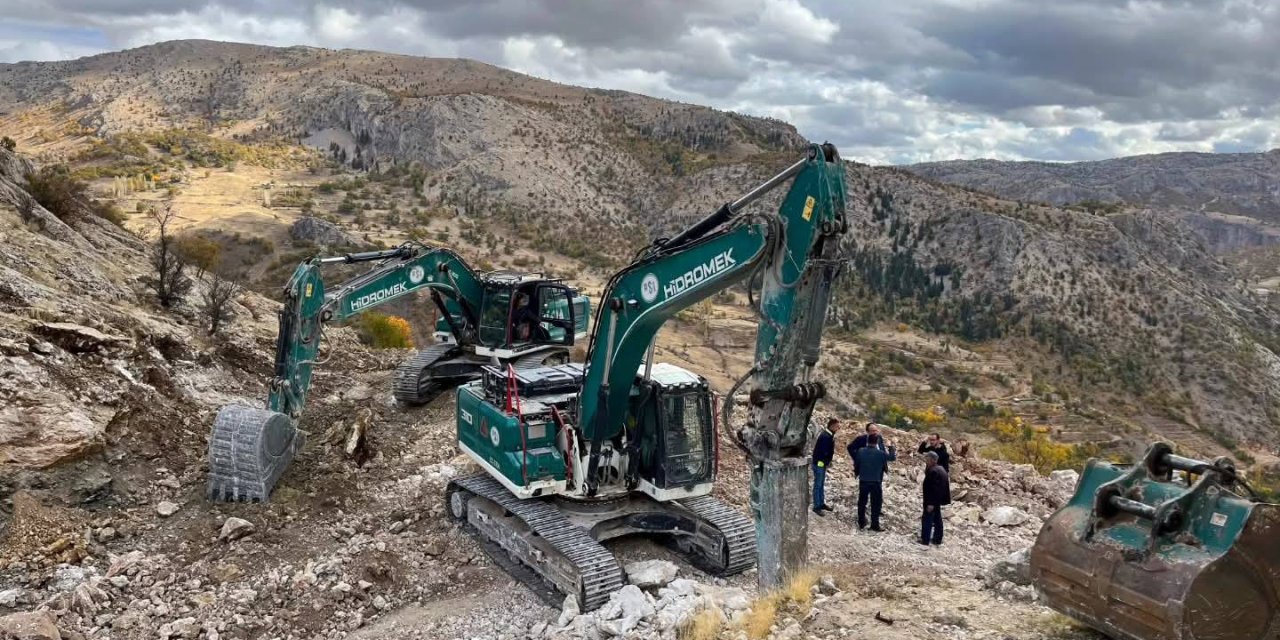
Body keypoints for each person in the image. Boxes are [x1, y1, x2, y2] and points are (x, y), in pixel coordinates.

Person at [853, 433, 896, 531]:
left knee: (862, 502)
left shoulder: (861, 451)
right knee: (875, 504)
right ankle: (874, 524)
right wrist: (890, 446)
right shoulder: (880, 453)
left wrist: (856, 473)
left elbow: (857, 464)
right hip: (876, 482)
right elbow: (892, 457)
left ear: (867, 441)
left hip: (863, 480)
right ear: (877, 442)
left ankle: (861, 522)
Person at [920, 451, 951, 545]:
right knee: (937, 519)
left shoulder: (933, 471)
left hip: (931, 500)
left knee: (927, 519)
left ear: (931, 460)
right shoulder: (941, 469)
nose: (926, 461)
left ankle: (925, 540)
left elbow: (934, 489)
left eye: (927, 459)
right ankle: (937, 539)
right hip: (938, 500)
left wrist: (931, 503)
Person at [811, 417, 838, 516]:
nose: (838, 428)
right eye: (837, 426)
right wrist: (824, 463)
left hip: (821, 464)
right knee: (818, 485)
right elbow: (823, 452)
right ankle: (816, 506)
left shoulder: (828, 435)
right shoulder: (826, 436)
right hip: (819, 464)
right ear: (831, 426)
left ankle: (821, 503)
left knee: (821, 483)